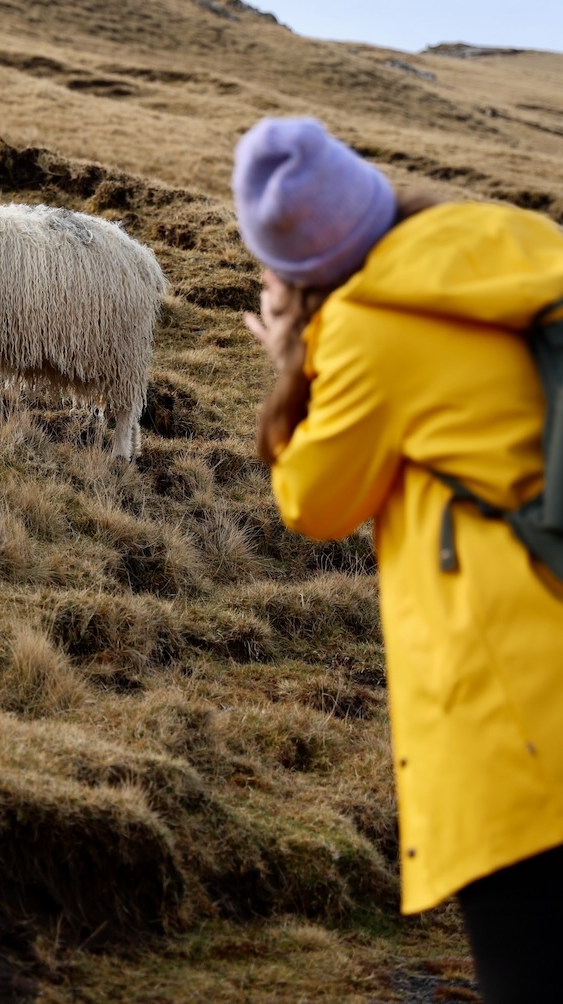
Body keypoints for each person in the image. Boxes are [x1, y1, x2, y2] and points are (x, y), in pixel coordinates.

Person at [233, 115, 563, 1004]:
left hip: (523, 713)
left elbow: (315, 501)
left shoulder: (371, 329)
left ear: (298, 271)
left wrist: (292, 359)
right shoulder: (512, 250)